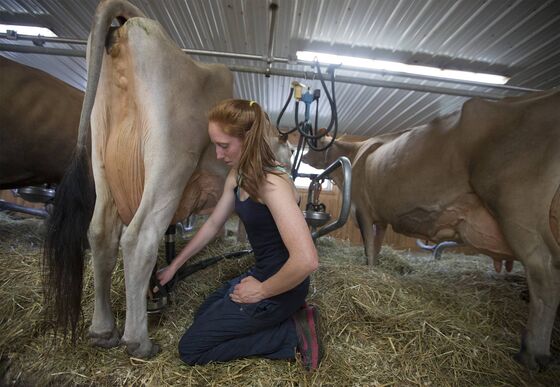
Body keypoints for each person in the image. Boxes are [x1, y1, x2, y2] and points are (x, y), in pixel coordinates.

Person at [156, 99, 322, 370]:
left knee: (191, 349)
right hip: (262, 272)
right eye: (215, 145)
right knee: (203, 315)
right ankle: (280, 322)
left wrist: (261, 291)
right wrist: (174, 266)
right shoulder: (238, 175)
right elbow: (212, 225)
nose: (219, 155)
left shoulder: (272, 185)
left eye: (224, 146)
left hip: (283, 285)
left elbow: (306, 260)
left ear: (249, 139)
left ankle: (292, 334)